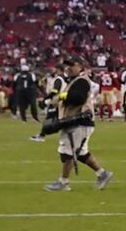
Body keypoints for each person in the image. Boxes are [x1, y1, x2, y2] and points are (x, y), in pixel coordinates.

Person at [45, 56, 113, 192]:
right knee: (81, 153)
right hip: (77, 121)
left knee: (67, 151)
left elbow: (78, 98)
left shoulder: (81, 81)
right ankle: (102, 174)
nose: (68, 68)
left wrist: (62, 96)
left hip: (79, 121)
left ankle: (63, 182)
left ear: (80, 66)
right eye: (67, 65)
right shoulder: (75, 81)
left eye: (72, 65)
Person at [31, 62, 66, 143]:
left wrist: (45, 99)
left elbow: (55, 91)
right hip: (59, 101)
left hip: (57, 102)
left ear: (58, 69)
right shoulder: (62, 78)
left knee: (51, 119)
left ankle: (41, 136)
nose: (51, 70)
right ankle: (42, 135)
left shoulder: (58, 79)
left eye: (54, 68)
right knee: (54, 119)